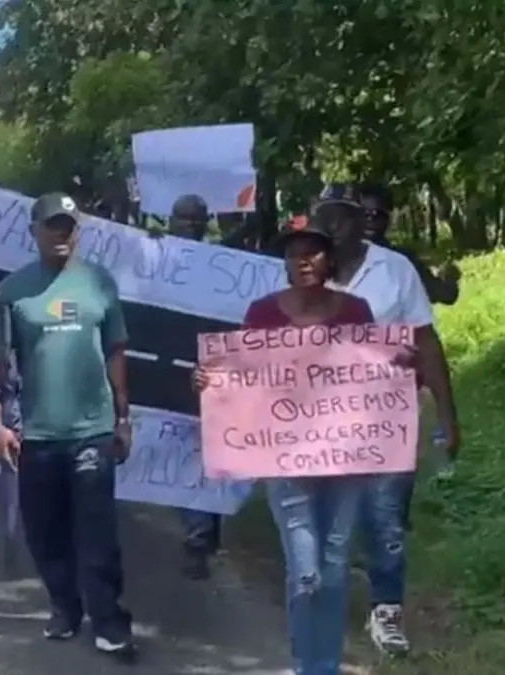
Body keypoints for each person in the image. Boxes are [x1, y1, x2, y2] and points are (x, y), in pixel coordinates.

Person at [197, 211, 378, 675]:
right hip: (285, 461)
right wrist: (210, 379)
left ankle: (323, 666)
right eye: (294, 253)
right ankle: (305, 662)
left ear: (328, 259)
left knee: (334, 567)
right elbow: (239, 373)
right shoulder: (263, 314)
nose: (303, 260)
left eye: (312, 252)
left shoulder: (356, 312)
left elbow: (376, 378)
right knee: (306, 572)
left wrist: (400, 366)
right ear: (284, 262)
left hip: (345, 462)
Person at [0, 192, 136, 661]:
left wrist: (123, 418)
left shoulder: (99, 283)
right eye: (52, 225)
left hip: (93, 430)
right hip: (38, 434)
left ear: (78, 231)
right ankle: (65, 608)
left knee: (97, 533)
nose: (61, 234)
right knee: (45, 532)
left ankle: (110, 622)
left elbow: (116, 352)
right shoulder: (12, 291)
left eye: (68, 226)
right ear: (34, 231)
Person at [317, 183, 461, 655]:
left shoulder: (395, 269)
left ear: (362, 222)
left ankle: (386, 611)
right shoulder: (304, 273)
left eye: (341, 217)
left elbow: (426, 341)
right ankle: (327, 598)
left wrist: (447, 416)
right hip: (320, 424)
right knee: (327, 517)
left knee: (386, 519)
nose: (332, 228)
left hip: (386, 420)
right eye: (324, 218)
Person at [164, 192, 225, 578]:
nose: (191, 225)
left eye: (198, 219)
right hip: (164, 372)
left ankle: (200, 534)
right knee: (179, 455)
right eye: (184, 218)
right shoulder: (152, 259)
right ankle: (200, 529)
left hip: (211, 372)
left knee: (206, 456)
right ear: (170, 220)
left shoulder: (222, 264)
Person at [359, 183, 460, 305]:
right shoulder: (340, 259)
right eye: (363, 213)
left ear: (389, 217)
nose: (370, 219)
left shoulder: (402, 261)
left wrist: (448, 278)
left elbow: (443, 293)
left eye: (377, 214)